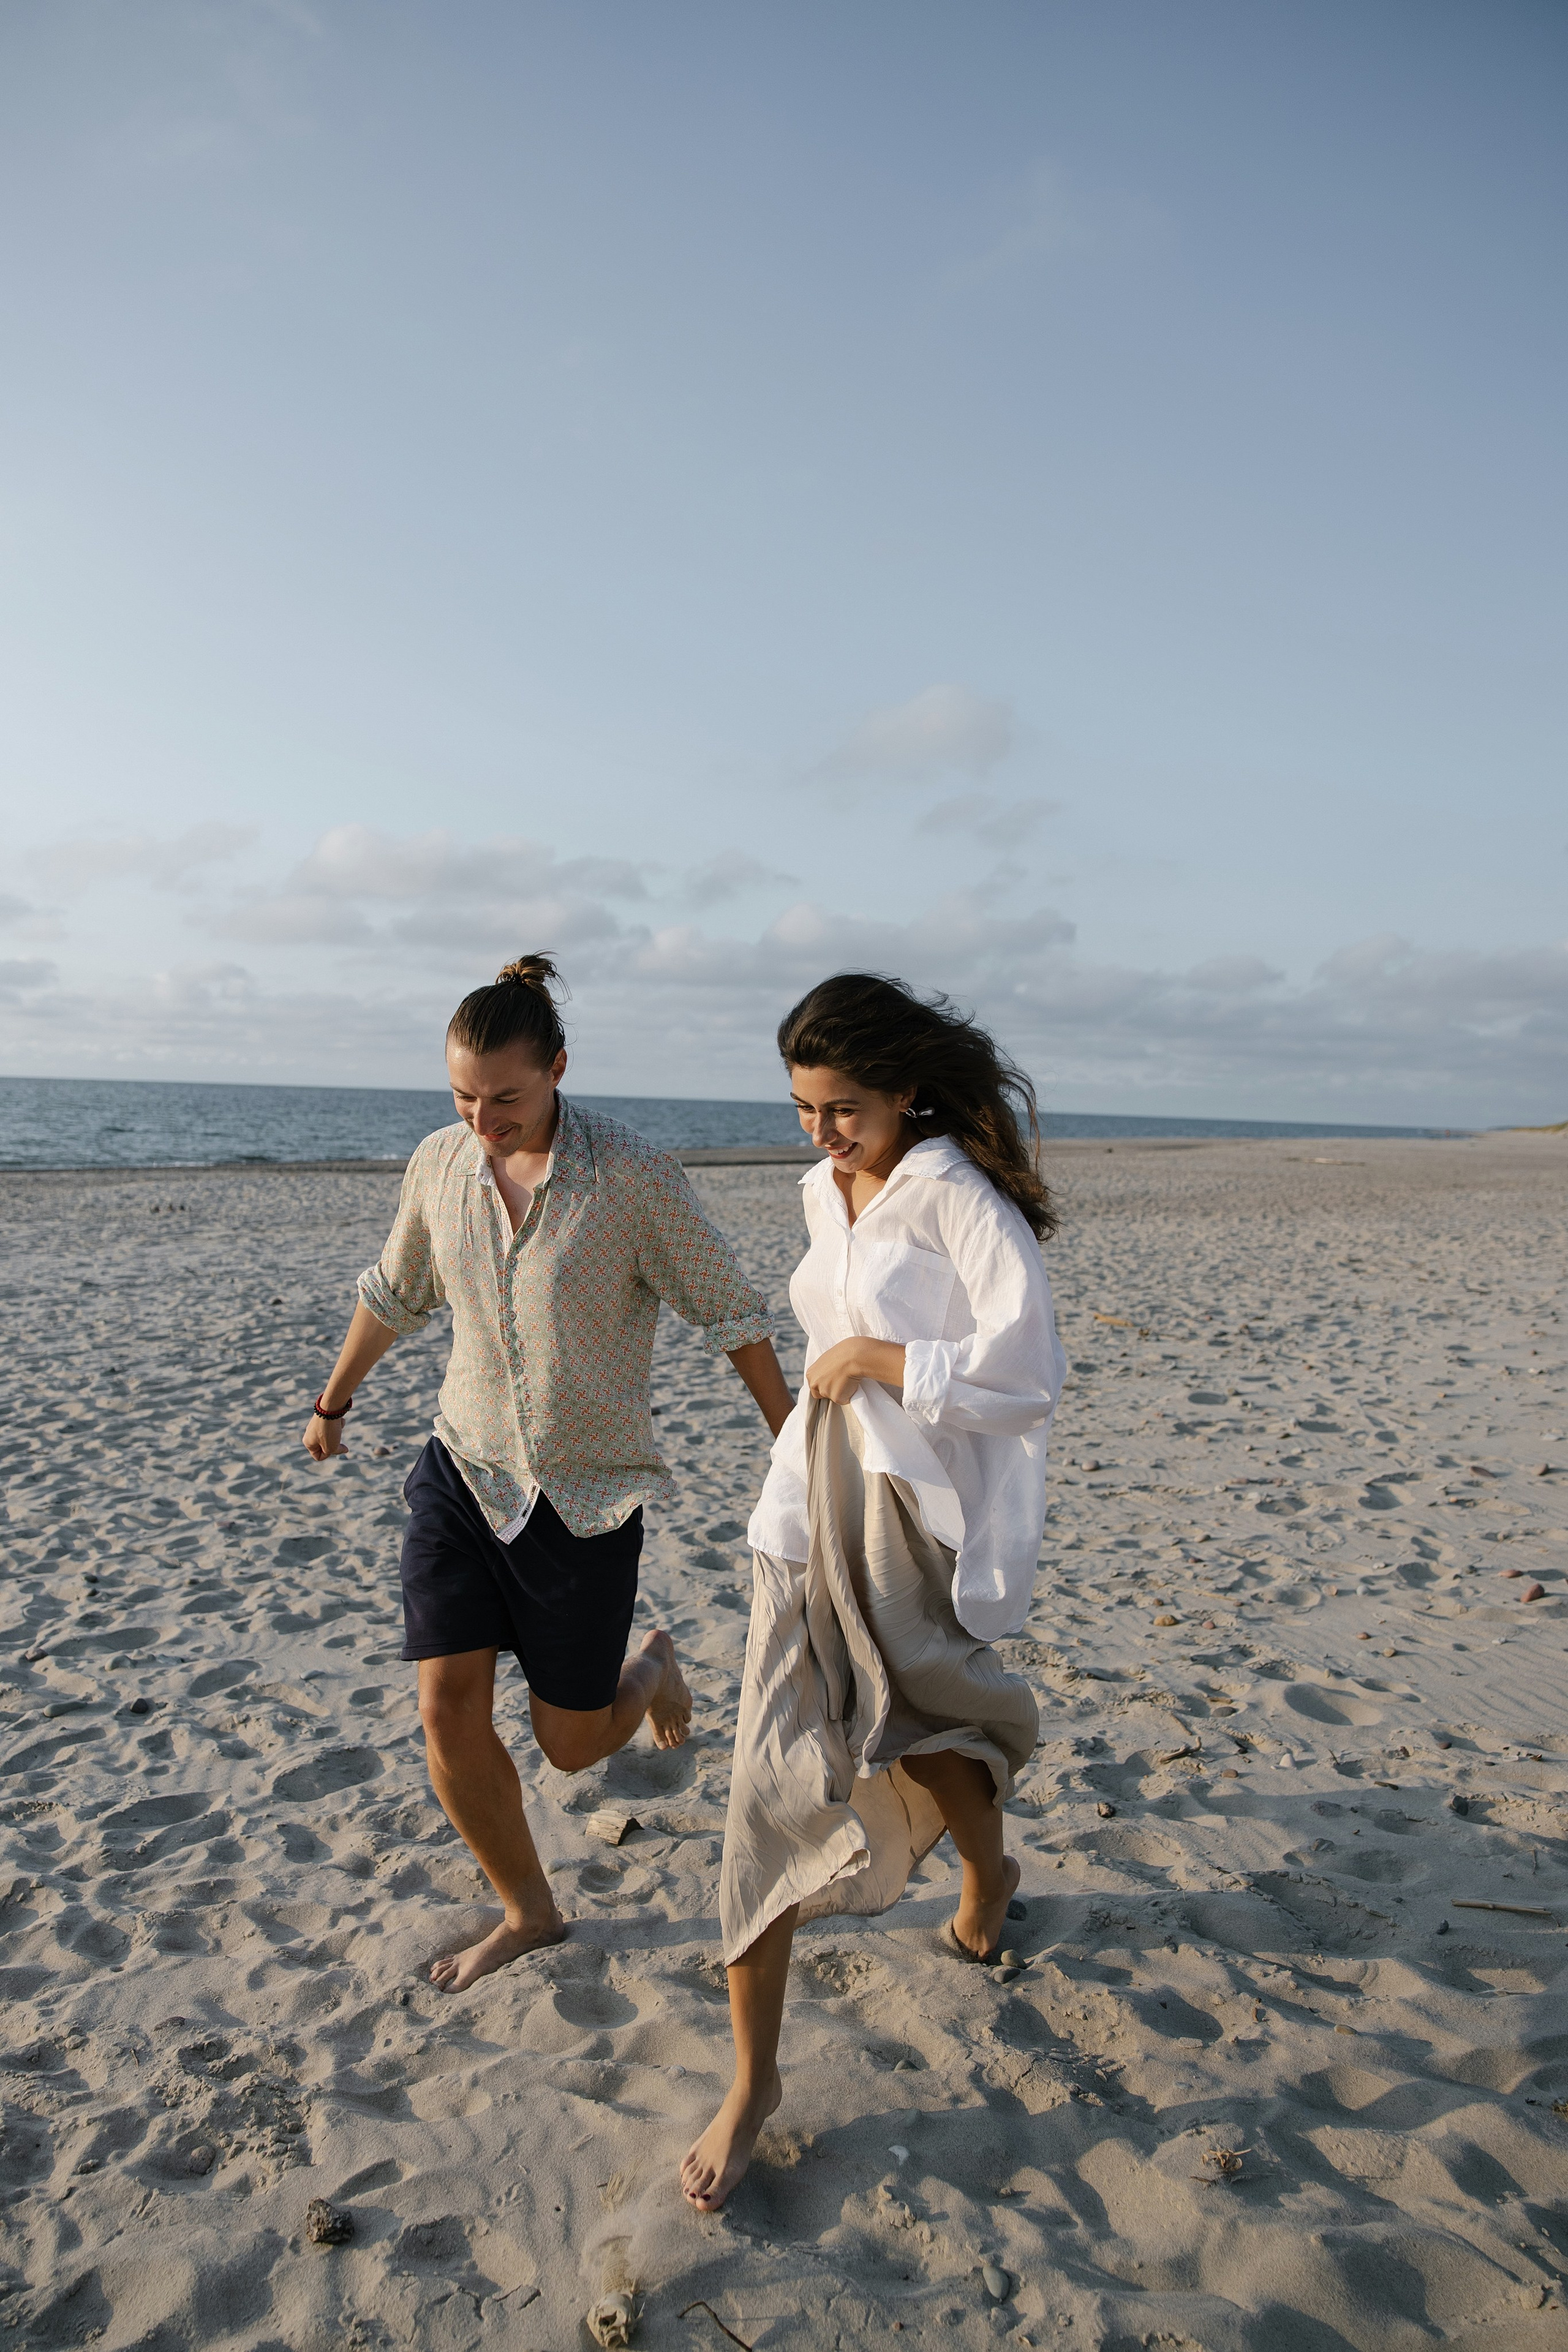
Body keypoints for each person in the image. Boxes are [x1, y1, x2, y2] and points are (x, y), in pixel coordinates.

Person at [303, 954, 794, 1992]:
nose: (483, 1119)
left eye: (506, 1098)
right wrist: (333, 1399)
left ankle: (650, 1666)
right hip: (463, 1468)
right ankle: (528, 1910)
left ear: (560, 1068)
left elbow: (730, 1312)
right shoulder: (440, 1165)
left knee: (572, 1749)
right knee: (446, 1709)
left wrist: (790, 1438)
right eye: (463, 1096)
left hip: (585, 1493)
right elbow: (396, 1290)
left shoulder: (632, 1177)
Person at [680, 972, 1066, 2211]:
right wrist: (826, 1381)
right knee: (760, 1782)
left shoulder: (953, 1193)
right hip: (802, 1506)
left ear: (906, 1089)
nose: (821, 1132)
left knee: (919, 1719)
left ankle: (985, 1873)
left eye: (842, 1107)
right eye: (802, 1109)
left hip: (905, 1518)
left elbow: (1028, 1369)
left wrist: (881, 1360)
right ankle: (751, 2084)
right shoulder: (818, 1186)